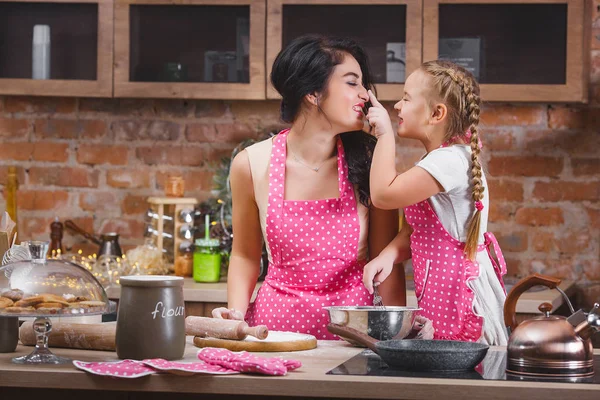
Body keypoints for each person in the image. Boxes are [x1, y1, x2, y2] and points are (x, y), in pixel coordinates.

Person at [212, 35, 406, 340]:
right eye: (352, 83)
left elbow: (386, 263)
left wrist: (394, 344)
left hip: (353, 340)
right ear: (313, 93)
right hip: (275, 336)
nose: (365, 95)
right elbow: (246, 255)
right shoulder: (251, 164)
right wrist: (234, 319)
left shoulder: (371, 161)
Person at [363, 60, 508, 345]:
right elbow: (420, 229)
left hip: (463, 302)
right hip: (442, 298)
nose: (397, 107)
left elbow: (382, 195)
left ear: (436, 113)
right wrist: (389, 255)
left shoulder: (449, 161)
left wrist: (385, 136)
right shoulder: (442, 159)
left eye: (406, 98)